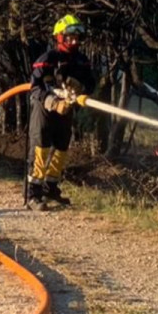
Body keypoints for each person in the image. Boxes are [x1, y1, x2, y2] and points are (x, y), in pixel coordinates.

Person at [26, 14, 96, 210]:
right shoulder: (47, 60)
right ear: (60, 37)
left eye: (77, 38)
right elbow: (35, 87)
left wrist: (81, 89)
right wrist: (53, 102)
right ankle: (34, 194)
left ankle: (51, 188)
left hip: (67, 109)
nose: (74, 42)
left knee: (61, 148)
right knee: (41, 148)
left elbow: (91, 83)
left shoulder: (81, 61)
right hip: (45, 109)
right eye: (70, 37)